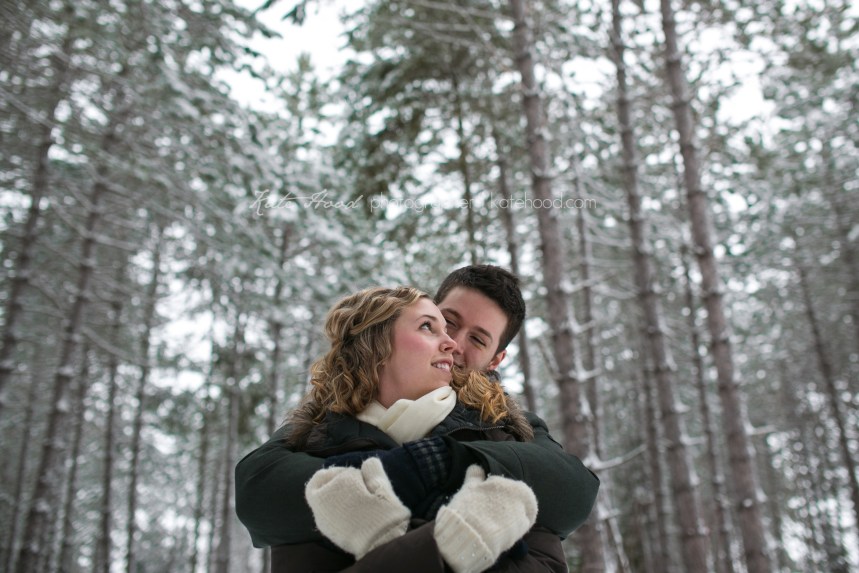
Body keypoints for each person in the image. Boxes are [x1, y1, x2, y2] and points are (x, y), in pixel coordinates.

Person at [235, 266, 599, 563]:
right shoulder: (323, 425)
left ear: (496, 360)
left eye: (478, 339)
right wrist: (394, 471)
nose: (454, 343)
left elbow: (575, 489)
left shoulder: (507, 426)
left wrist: (447, 462)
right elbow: (258, 487)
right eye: (446, 321)